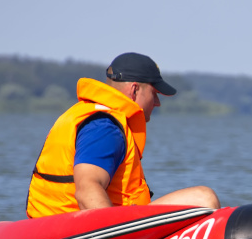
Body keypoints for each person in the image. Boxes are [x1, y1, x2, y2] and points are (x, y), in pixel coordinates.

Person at [26, 52, 220, 218]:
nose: (158, 102)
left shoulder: (90, 115)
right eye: (154, 93)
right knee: (204, 199)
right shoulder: (105, 127)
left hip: (53, 223)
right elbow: (87, 190)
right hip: (72, 233)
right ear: (135, 90)